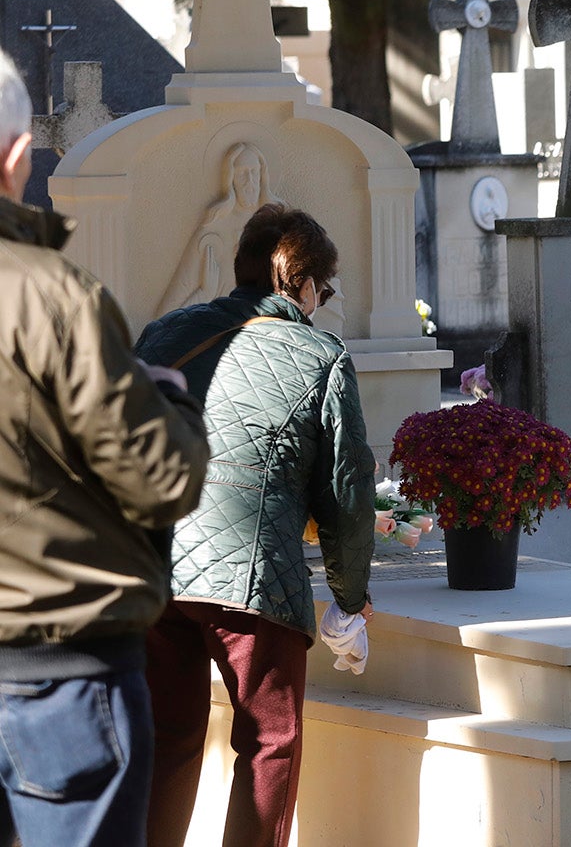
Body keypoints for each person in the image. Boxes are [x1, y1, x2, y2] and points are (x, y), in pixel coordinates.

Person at [0, 47, 209, 846]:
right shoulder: (51, 295)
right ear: (20, 157)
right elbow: (159, 476)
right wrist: (171, 400)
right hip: (58, 681)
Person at [136, 204, 375, 847]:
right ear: (298, 283)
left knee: (167, 737)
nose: (323, 302)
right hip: (249, 577)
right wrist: (350, 601)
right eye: (322, 290)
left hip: (151, 568)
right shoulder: (319, 355)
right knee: (271, 742)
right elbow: (346, 490)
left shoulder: (163, 334)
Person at [157, 142, 283, 315]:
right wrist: (205, 293)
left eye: (254, 172)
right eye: (242, 174)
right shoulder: (212, 232)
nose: (250, 181)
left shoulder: (279, 225)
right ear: (230, 179)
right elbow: (166, 315)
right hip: (224, 334)